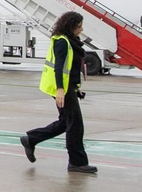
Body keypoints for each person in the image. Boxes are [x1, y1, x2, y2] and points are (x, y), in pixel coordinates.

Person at [21, 11, 97, 173]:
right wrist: (61, 90)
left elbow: (72, 69)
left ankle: (31, 139)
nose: (81, 29)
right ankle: (77, 162)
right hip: (61, 88)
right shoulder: (62, 42)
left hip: (68, 87)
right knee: (75, 125)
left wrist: (76, 88)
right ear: (71, 26)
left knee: (65, 122)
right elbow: (59, 67)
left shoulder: (71, 41)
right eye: (79, 26)